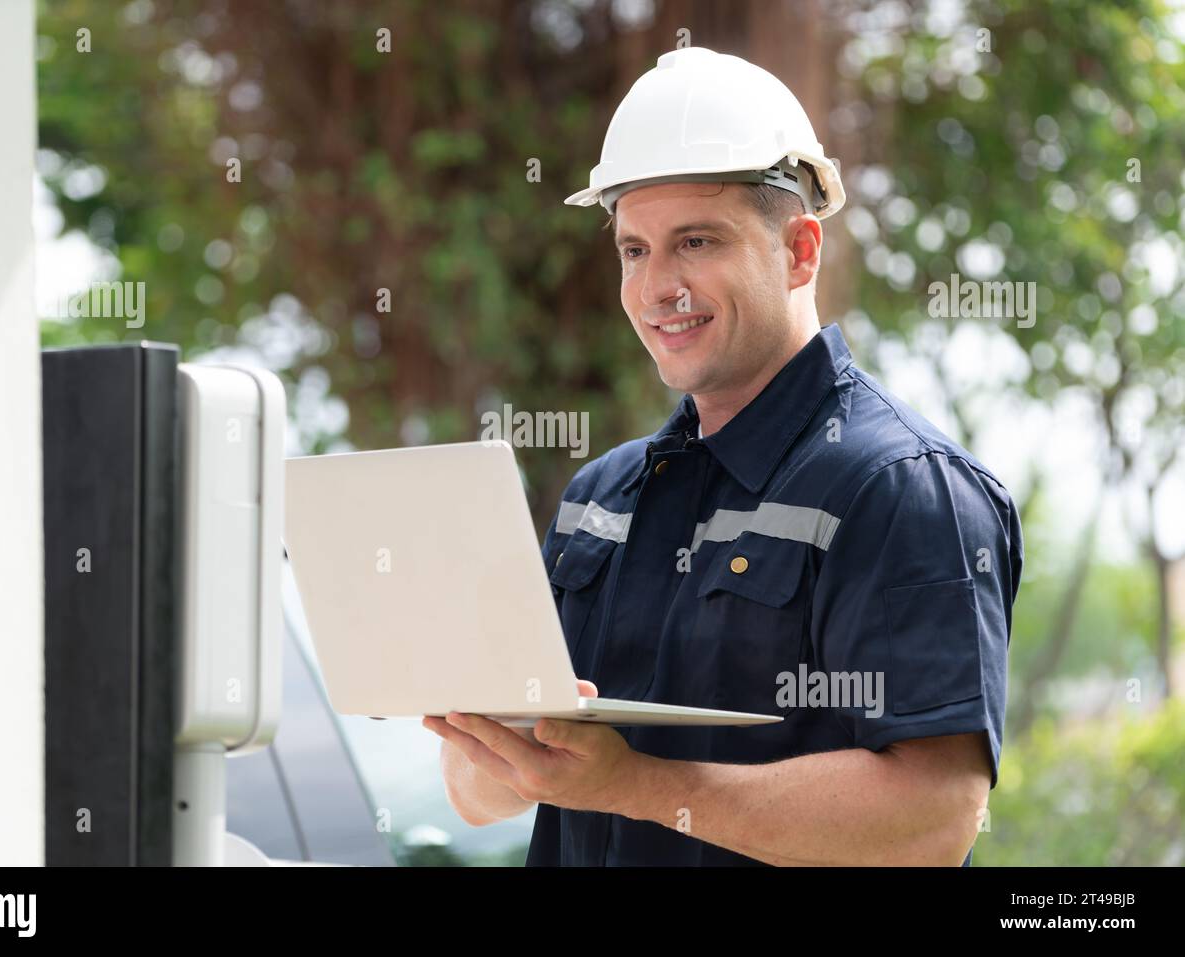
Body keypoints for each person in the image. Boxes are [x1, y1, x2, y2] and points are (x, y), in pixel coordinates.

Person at [425, 46, 1021, 866]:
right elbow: (471, 790)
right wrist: (503, 749)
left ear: (801, 250)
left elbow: (933, 818)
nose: (656, 287)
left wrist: (631, 783)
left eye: (697, 242)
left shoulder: (900, 488)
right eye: (634, 249)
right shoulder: (602, 495)